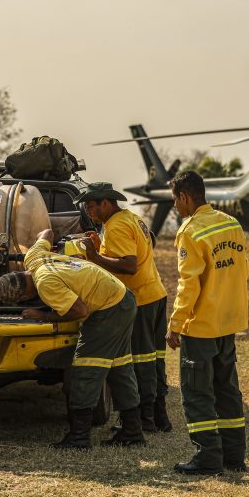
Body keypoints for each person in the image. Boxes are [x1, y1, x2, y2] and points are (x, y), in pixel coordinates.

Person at [0, 230, 145, 449]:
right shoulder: (34, 257)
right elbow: (46, 232)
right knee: (119, 366)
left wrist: (43, 315)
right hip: (122, 298)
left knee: (85, 368)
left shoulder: (46, 284)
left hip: (109, 308)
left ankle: (79, 437)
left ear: (25, 296)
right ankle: (133, 431)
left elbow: (79, 311)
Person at [166, 171, 249, 476]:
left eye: (175, 200)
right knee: (227, 389)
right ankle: (234, 455)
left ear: (185, 197)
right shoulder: (231, 223)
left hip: (201, 326)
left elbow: (189, 284)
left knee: (197, 392)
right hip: (229, 321)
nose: (176, 206)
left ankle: (208, 457)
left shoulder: (191, 231)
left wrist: (175, 323)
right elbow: (243, 269)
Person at [75, 182, 172, 433]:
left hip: (139, 298)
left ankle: (145, 420)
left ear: (105, 203)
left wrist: (94, 257)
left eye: (90, 206)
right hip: (155, 294)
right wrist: (100, 247)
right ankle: (160, 417)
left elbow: (129, 265)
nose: (88, 212)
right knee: (155, 359)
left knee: (140, 361)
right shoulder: (131, 218)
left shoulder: (116, 225)